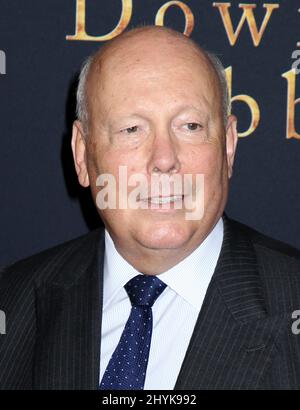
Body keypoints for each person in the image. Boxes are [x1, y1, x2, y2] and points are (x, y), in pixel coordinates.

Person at [1, 25, 300, 390]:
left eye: (190, 126)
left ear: (228, 146)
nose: (164, 159)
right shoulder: (14, 303)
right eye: (132, 130)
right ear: (82, 154)